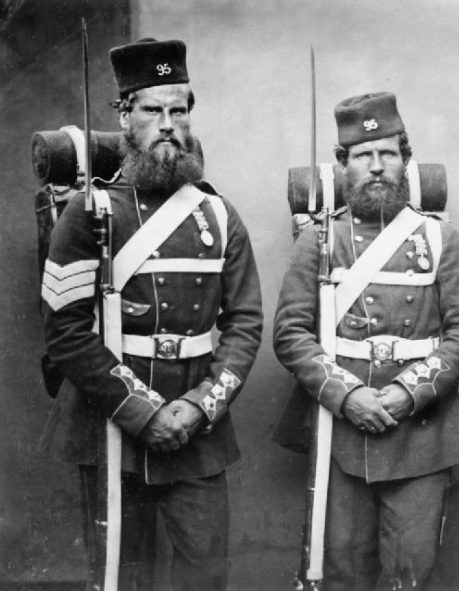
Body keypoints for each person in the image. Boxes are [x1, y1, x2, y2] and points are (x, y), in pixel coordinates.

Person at [39, 38, 262, 591]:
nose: (167, 123)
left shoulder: (218, 214)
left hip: (198, 429)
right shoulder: (88, 211)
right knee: (119, 576)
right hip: (111, 420)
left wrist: (198, 406)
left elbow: (246, 323)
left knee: (206, 577)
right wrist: (143, 411)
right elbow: (65, 332)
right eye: (152, 110)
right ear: (125, 115)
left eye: (178, 110)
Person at [273, 92, 459, 590]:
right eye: (364, 156)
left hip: (422, 431)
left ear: (405, 161)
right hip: (342, 428)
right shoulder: (319, 240)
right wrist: (347, 396)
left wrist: (408, 392)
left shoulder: (438, 239)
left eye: (388, 154)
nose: (377, 166)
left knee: (411, 572)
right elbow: (291, 333)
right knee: (340, 571)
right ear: (343, 165)